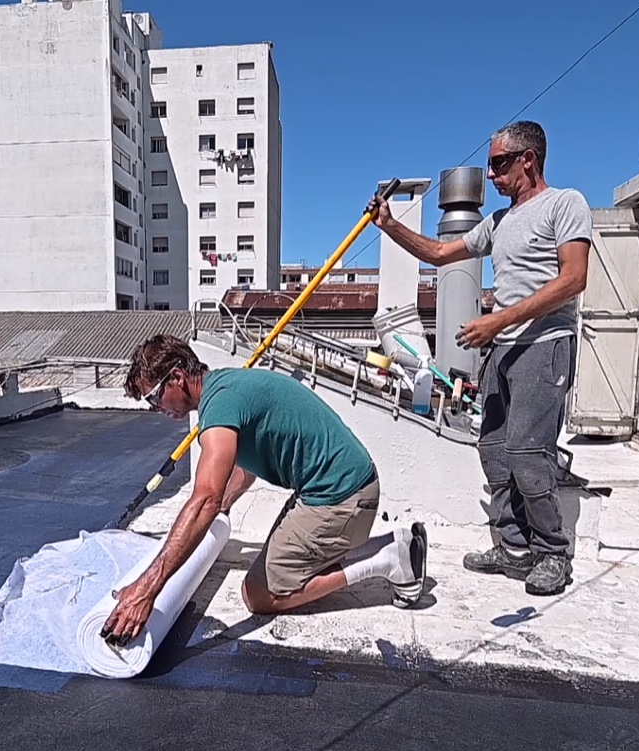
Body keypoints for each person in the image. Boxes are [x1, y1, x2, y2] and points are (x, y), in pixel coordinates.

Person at [370, 120, 591, 596]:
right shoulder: (499, 222)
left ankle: (553, 553)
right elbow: (440, 252)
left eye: (498, 164)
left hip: (543, 346)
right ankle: (512, 548)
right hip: (504, 350)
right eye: (489, 166)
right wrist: (390, 226)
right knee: (492, 449)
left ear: (527, 159)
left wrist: (498, 319)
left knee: (529, 455)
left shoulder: (564, 204)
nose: (490, 176)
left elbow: (574, 279)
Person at [100, 335, 428, 646]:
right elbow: (243, 470)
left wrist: (147, 589)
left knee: (258, 594)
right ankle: (376, 551)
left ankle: (388, 557)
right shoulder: (227, 387)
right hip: (336, 488)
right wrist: (222, 511)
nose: (155, 408)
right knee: (273, 570)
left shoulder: (219, 407)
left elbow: (203, 501)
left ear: (177, 377)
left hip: (342, 499)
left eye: (153, 396)